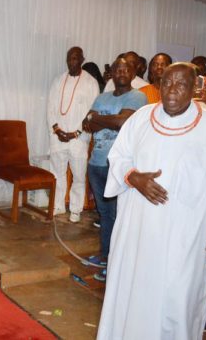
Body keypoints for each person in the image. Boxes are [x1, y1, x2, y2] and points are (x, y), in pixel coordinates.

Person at [97, 63, 206, 339]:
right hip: (139, 234)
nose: (172, 90)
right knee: (135, 294)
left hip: (187, 237)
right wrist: (133, 178)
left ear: (194, 89)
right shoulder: (140, 119)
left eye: (181, 84)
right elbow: (118, 157)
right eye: (166, 83)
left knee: (178, 299)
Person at [82, 58, 147, 281]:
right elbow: (86, 123)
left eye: (125, 69)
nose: (121, 72)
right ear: (111, 73)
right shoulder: (103, 97)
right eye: (117, 69)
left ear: (133, 73)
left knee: (120, 216)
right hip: (97, 164)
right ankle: (105, 255)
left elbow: (123, 123)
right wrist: (103, 120)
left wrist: (98, 118)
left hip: (120, 168)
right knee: (105, 215)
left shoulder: (138, 96)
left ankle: (118, 265)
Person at [47, 47, 99, 222]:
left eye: (75, 58)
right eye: (69, 58)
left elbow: (92, 112)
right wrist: (56, 129)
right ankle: (59, 205)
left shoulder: (90, 82)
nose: (71, 61)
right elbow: (50, 108)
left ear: (82, 59)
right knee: (57, 173)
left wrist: (75, 133)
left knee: (78, 175)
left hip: (78, 138)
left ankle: (76, 209)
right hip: (58, 136)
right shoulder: (58, 81)